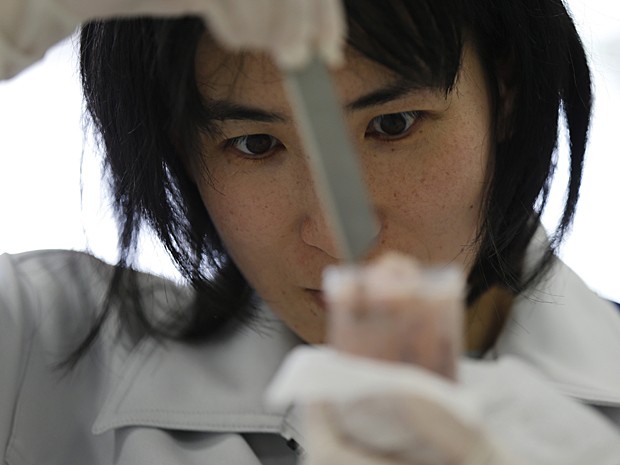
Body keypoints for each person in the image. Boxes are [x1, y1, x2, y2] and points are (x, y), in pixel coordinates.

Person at [1, 0, 619, 464]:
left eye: (396, 124)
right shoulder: (39, 360)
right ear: (181, 146)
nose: (336, 232)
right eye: (254, 144)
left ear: (505, 91)